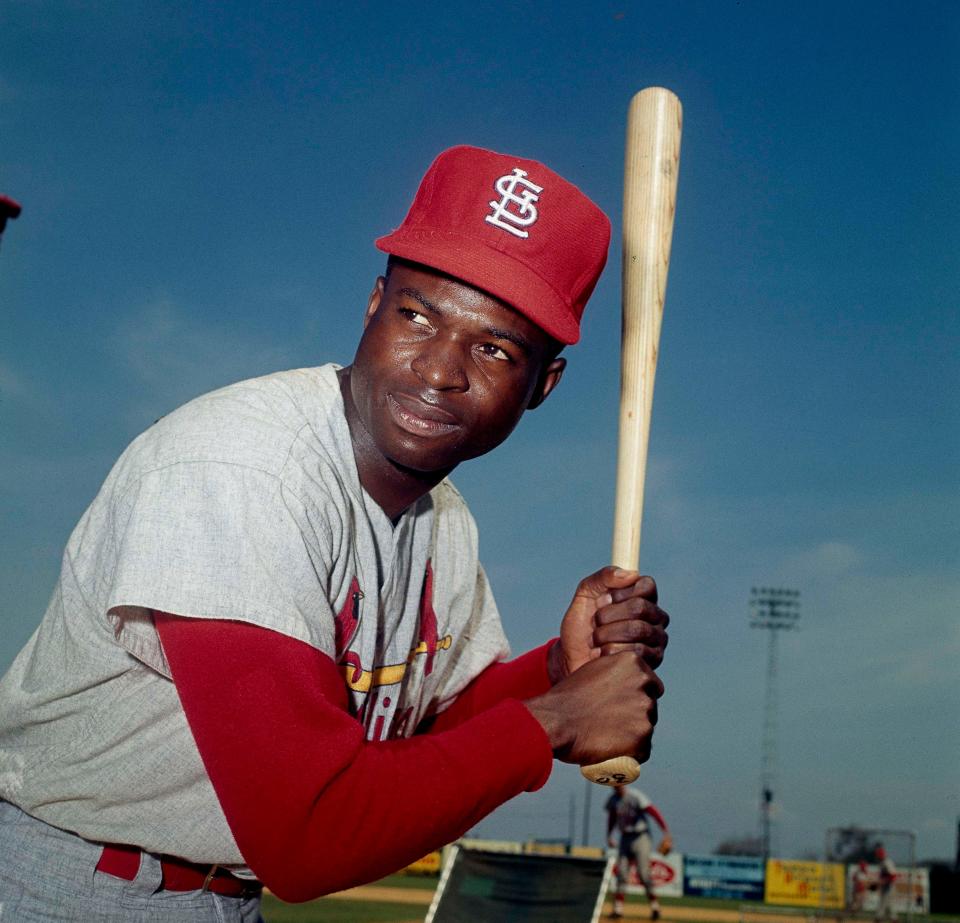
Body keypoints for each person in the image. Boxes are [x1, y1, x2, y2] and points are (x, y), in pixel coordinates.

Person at [0, 145, 671, 921]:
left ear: (541, 387)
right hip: (63, 886)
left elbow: (424, 737)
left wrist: (559, 669)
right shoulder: (239, 471)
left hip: (216, 894)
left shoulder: (442, 521)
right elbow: (312, 835)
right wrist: (558, 720)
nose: (438, 370)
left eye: (493, 348)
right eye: (418, 316)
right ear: (372, 305)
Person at [605, 782, 671, 920]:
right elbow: (612, 818)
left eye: (620, 784)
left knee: (643, 873)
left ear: (624, 783)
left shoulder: (635, 796)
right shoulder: (613, 800)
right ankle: (618, 909)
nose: (618, 786)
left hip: (641, 837)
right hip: (625, 837)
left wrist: (665, 831)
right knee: (621, 873)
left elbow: (653, 812)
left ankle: (655, 907)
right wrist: (609, 835)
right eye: (615, 785)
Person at [874, 846, 898, 922]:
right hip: (886, 886)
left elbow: (893, 876)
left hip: (889, 887)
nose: (877, 856)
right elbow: (883, 875)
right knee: (889, 905)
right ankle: (893, 919)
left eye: (878, 855)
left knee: (883, 903)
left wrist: (883, 881)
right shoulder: (882, 862)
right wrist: (880, 882)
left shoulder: (887, 862)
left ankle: (878, 919)